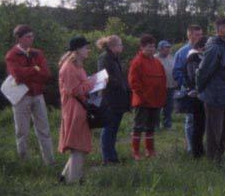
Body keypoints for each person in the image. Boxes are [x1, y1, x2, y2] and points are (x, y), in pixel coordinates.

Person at [5, 25, 55, 165]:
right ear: (19, 38)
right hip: (21, 97)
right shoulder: (12, 55)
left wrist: (30, 72)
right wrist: (35, 69)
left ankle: (49, 162)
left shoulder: (37, 53)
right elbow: (17, 75)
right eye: (28, 37)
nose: (31, 39)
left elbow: (46, 74)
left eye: (32, 36)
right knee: (22, 131)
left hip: (38, 95)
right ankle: (24, 163)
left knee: (44, 130)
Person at [196, 18, 225, 162]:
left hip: (224, 96)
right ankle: (213, 160)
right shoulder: (214, 48)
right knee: (214, 131)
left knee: (223, 130)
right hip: (214, 97)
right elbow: (203, 72)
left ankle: (220, 156)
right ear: (220, 30)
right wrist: (200, 90)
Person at [58, 36, 96, 183]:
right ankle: (73, 181)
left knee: (80, 145)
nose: (88, 50)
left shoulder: (77, 65)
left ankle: (65, 177)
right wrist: (92, 82)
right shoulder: (68, 67)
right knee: (78, 146)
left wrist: (90, 82)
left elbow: (80, 85)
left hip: (79, 107)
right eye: (86, 47)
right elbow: (74, 90)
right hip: (74, 109)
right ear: (77, 50)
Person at [128, 34, 167, 160]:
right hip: (142, 101)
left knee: (151, 127)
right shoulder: (137, 62)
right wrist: (143, 97)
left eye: (153, 46)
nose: (152, 49)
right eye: (149, 46)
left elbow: (163, 80)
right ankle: (135, 152)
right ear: (142, 47)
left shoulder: (157, 62)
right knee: (138, 127)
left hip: (155, 101)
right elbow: (134, 82)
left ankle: (150, 150)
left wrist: (161, 97)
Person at [96, 35, 130, 165]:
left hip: (118, 99)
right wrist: (120, 83)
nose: (122, 46)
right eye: (120, 44)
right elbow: (105, 77)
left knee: (114, 129)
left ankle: (112, 156)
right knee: (109, 128)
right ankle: (108, 158)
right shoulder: (104, 58)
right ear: (113, 46)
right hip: (110, 99)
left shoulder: (114, 58)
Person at [173, 25, 203, 152]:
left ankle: (199, 146)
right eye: (197, 35)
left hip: (203, 91)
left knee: (202, 119)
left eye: (201, 34)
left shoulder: (205, 49)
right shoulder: (182, 52)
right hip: (189, 91)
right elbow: (177, 72)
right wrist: (188, 85)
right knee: (190, 119)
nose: (200, 37)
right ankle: (191, 148)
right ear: (189, 35)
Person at [184, 36, 208, 158]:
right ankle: (196, 152)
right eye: (206, 46)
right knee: (197, 125)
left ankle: (200, 149)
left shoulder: (200, 57)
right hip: (195, 95)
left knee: (202, 124)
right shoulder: (193, 57)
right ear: (200, 47)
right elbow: (193, 76)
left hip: (202, 95)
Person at [155, 40, 177, 130]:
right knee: (157, 106)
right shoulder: (154, 58)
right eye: (166, 48)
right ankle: (156, 125)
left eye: (169, 47)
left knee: (169, 107)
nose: (168, 49)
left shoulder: (172, 58)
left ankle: (167, 124)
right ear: (160, 49)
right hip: (158, 87)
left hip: (170, 86)